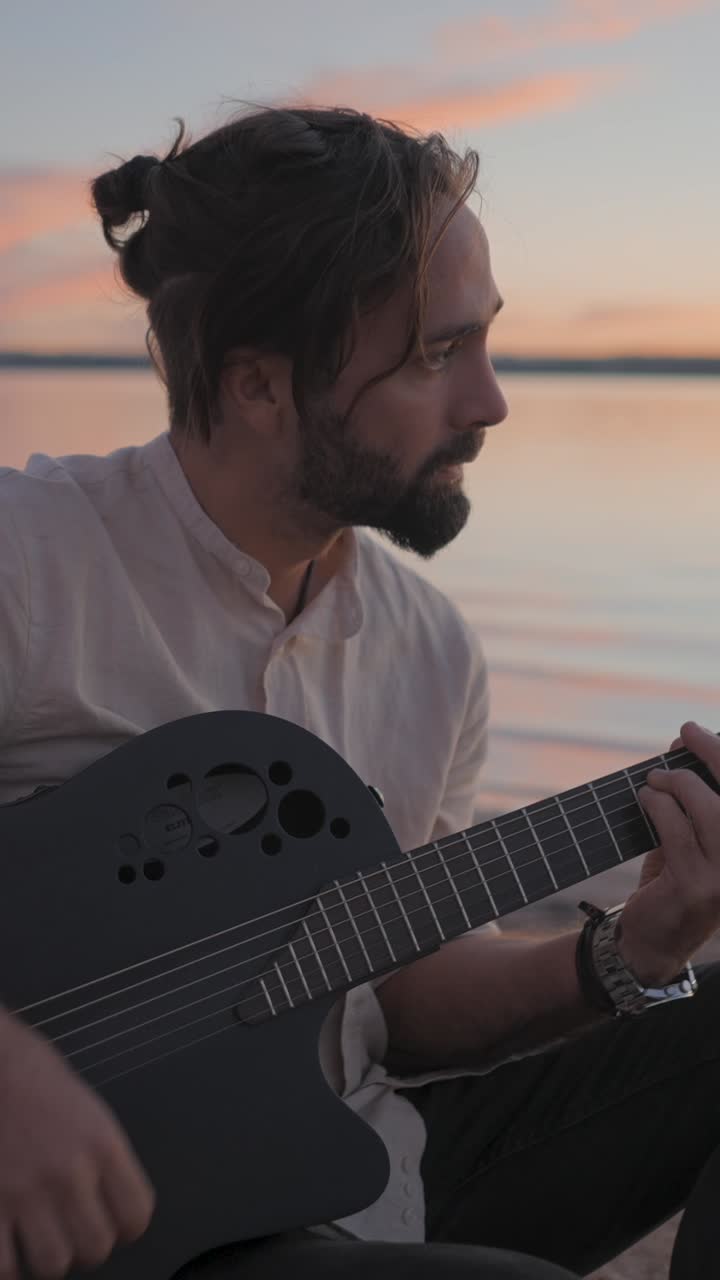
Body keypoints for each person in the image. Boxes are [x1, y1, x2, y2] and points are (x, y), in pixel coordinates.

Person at [1, 103, 719, 1280]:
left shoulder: (433, 653)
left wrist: (621, 952)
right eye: (439, 355)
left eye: (484, 342)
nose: (490, 404)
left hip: (352, 1163)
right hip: (142, 1230)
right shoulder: (31, 562)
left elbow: (390, 983)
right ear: (258, 386)